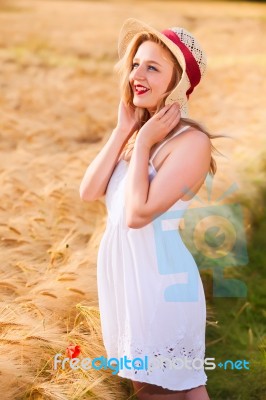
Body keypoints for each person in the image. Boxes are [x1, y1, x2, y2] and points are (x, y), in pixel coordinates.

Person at [80, 18, 223, 400]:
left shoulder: (190, 143)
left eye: (152, 67)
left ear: (177, 84)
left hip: (160, 284)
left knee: (162, 391)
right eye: (135, 64)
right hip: (128, 279)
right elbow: (89, 190)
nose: (135, 75)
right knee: (181, 389)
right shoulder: (137, 136)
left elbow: (137, 214)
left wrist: (142, 143)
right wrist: (123, 130)